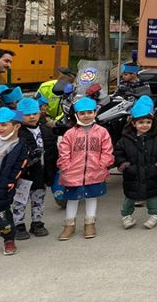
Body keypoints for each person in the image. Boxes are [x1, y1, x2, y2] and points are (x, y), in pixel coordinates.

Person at [56, 97, 114, 241]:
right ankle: (69, 225)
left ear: (95, 113)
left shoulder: (102, 132)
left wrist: (103, 164)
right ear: (76, 115)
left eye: (89, 112)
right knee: (73, 199)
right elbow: (64, 151)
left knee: (91, 197)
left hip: (95, 171)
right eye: (82, 113)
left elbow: (107, 150)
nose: (86, 115)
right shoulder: (70, 133)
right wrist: (66, 166)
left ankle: (90, 223)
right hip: (73, 173)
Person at [114, 96, 157, 230]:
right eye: (140, 122)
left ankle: (154, 216)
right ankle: (126, 216)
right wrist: (124, 164)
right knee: (130, 197)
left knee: (152, 197)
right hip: (132, 174)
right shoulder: (125, 139)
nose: (144, 125)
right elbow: (118, 152)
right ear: (134, 124)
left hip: (151, 173)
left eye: (148, 122)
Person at [12, 97, 57, 240]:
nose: (31, 117)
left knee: (39, 198)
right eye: (27, 114)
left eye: (34, 113)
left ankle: (37, 222)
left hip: (42, 172)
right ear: (20, 115)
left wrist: (52, 171)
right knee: (20, 200)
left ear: (39, 113)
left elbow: (53, 153)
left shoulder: (47, 131)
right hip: (24, 174)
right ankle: (18, 224)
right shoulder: (17, 133)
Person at [0, 107, 28, 255]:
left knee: (2, 216)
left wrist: (9, 183)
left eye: (4, 125)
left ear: (16, 126)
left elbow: (18, 167)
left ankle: (8, 240)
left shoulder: (18, 146)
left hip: (0, 187)